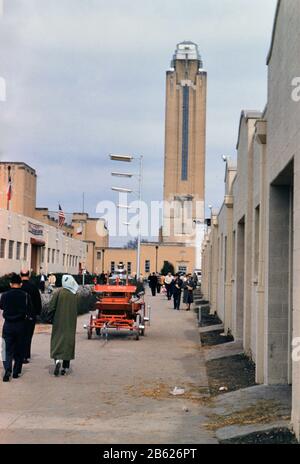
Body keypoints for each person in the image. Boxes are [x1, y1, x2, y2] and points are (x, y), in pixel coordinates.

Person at [0, 273, 34, 382]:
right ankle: (16, 372)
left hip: (8, 325)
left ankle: (7, 370)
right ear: (20, 284)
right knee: (20, 349)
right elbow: (31, 311)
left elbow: (1, 306)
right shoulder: (25, 296)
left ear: (10, 284)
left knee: (6, 349)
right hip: (21, 325)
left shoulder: (4, 295)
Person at [47, 275, 79, 376]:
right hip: (71, 323)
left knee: (57, 341)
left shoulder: (58, 293)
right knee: (68, 343)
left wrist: (49, 317)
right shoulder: (74, 295)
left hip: (58, 321)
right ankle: (65, 368)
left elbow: (51, 307)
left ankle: (57, 361)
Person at [21, 269, 42, 363]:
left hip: (18, 315)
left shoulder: (18, 286)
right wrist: (37, 313)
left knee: (19, 336)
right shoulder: (33, 287)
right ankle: (25, 356)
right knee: (28, 336)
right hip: (30, 315)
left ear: (20, 275)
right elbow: (38, 302)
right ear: (29, 275)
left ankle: (17, 354)